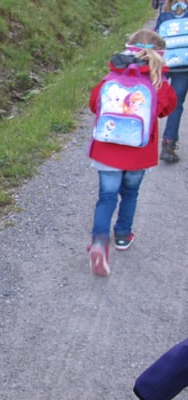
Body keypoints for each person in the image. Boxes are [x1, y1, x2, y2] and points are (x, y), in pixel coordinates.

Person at [87, 29, 177, 276]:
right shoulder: (158, 83)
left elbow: (94, 104)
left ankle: (99, 241)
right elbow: (166, 109)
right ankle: (123, 235)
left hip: (107, 151)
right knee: (130, 193)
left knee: (106, 197)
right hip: (139, 153)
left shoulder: (112, 76)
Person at [156, 0, 188, 163]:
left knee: (154, 101)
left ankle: (142, 139)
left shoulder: (164, 15)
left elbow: (156, 41)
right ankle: (169, 145)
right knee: (177, 104)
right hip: (184, 67)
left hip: (166, 64)